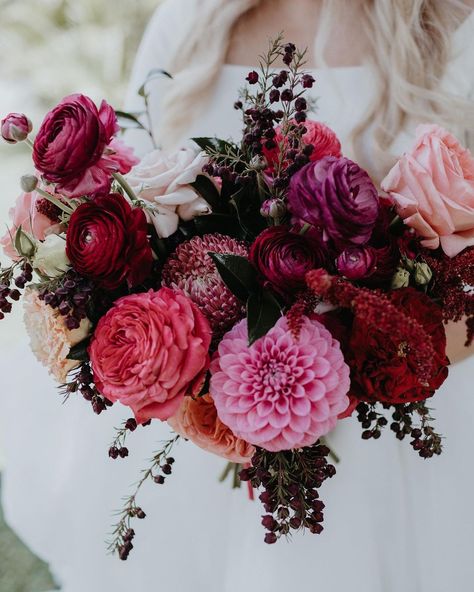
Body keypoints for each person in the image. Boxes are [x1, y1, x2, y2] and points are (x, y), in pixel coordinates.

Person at [1, 1, 474, 590]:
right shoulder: (188, 20)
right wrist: (185, 381)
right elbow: (137, 190)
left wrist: (339, 372)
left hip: (381, 416)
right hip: (200, 416)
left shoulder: (452, 28)